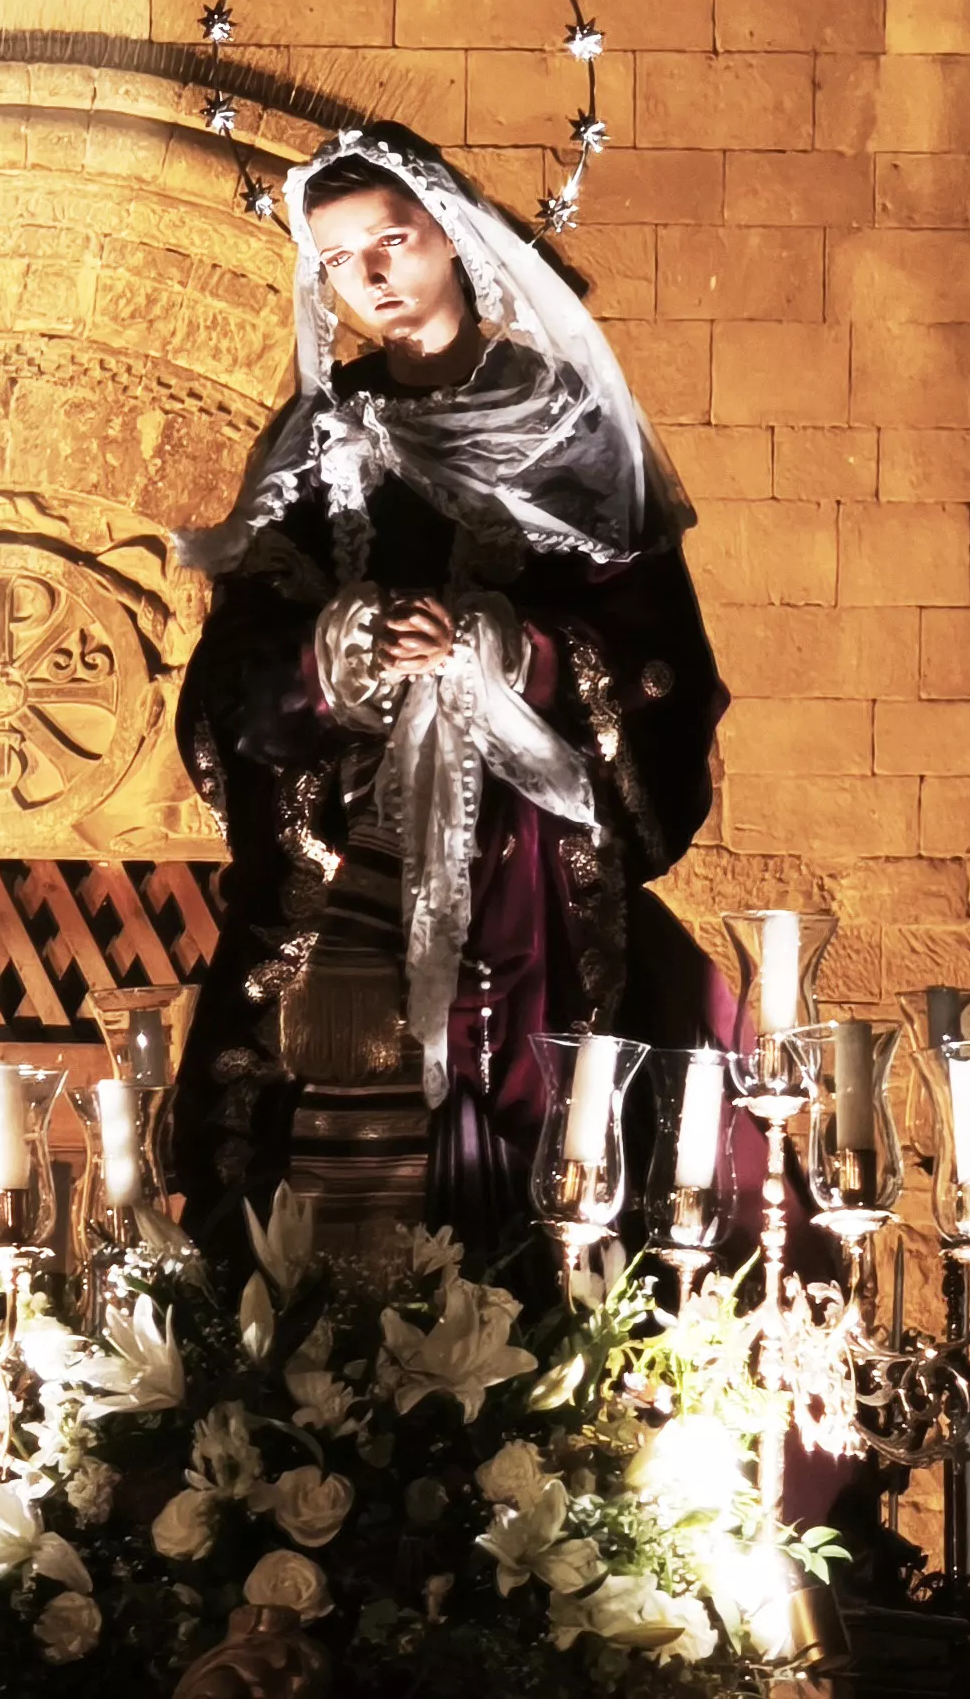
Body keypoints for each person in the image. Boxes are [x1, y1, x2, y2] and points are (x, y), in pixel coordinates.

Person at [167, 124, 730, 1262]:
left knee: (536, 1146)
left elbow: (660, 664)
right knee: (300, 1179)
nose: (368, 276)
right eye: (336, 259)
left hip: (521, 867)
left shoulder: (569, 428)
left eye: (391, 240)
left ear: (454, 236)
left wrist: (498, 649)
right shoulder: (313, 440)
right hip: (345, 862)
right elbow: (230, 677)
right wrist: (340, 652)